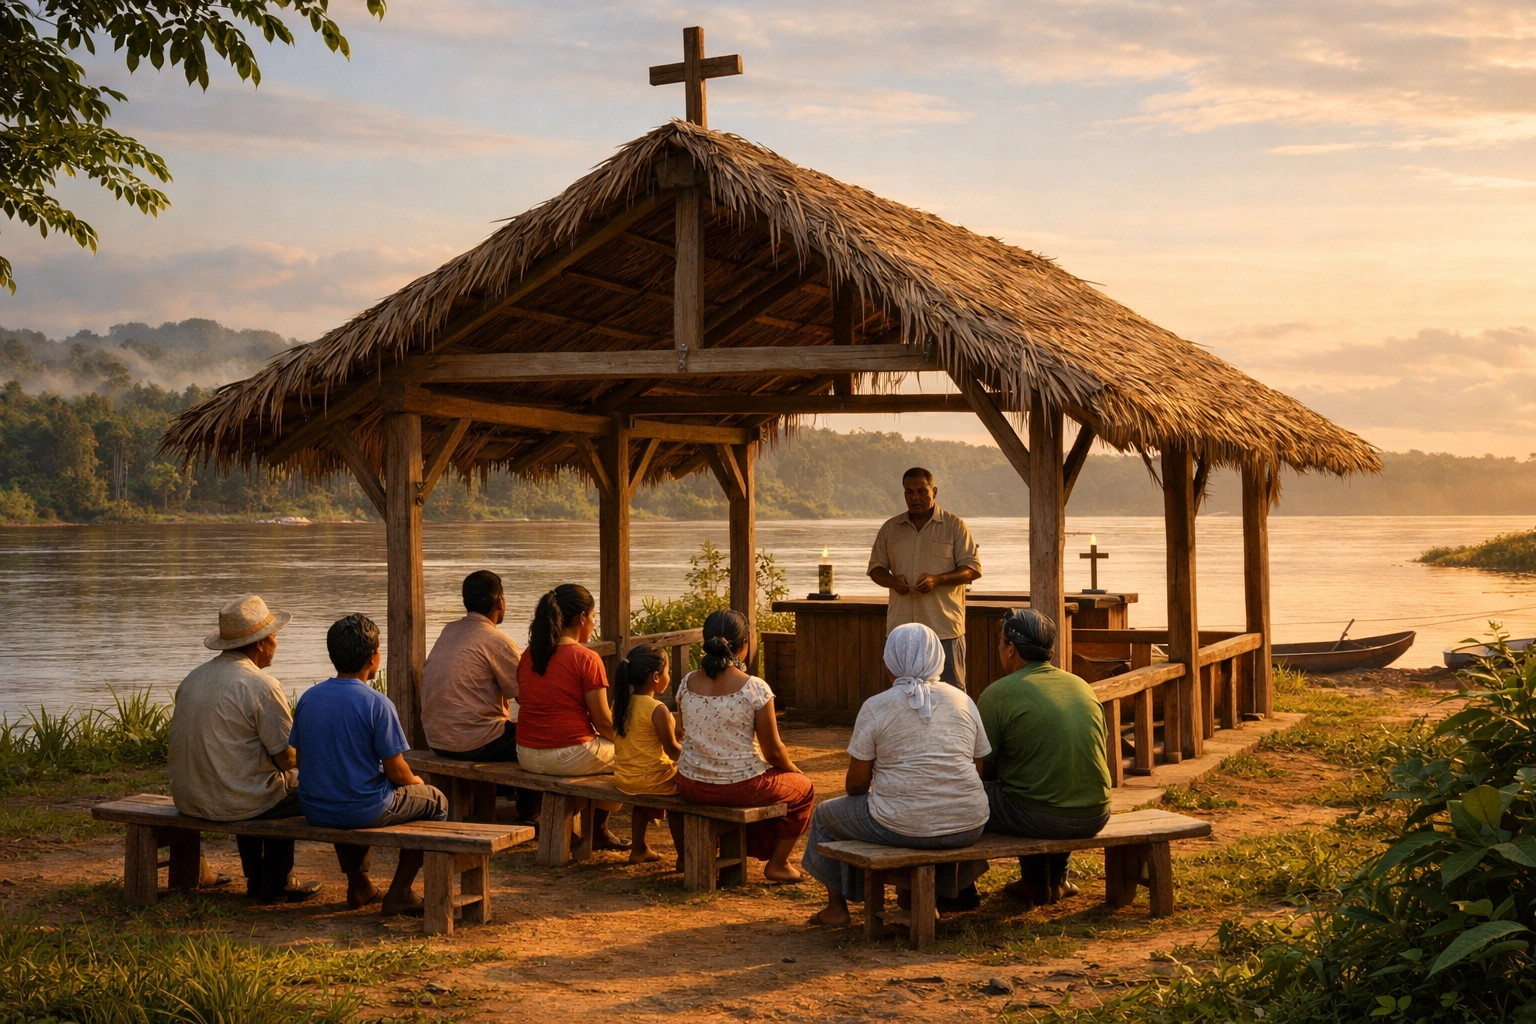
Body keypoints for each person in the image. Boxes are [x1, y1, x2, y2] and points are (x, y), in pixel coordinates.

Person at [802, 623, 992, 927]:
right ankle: (920, 901)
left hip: (903, 824)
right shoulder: (963, 701)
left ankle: (837, 908)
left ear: (889, 663)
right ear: (938, 659)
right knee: (927, 816)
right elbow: (978, 769)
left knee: (826, 816)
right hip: (968, 824)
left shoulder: (877, 707)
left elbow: (855, 785)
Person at [291, 613, 449, 915]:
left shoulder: (309, 699)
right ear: (374, 657)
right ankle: (400, 892)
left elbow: (302, 759)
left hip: (315, 807)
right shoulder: (377, 703)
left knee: (349, 785)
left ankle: (359, 883)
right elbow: (396, 771)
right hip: (360, 808)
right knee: (436, 801)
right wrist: (418, 783)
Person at [168, 593, 321, 903]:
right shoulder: (261, 685)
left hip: (189, 796)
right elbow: (286, 757)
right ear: (261, 644)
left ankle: (255, 875)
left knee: (247, 777)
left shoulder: (193, 678)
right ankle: (277, 881)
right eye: (274, 636)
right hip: (231, 798)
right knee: (301, 785)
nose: (277, 642)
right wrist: (322, 758)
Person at [978, 608, 1112, 905]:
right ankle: (1055, 881)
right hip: (1096, 812)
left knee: (974, 796)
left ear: (1011, 649)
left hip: (1041, 815)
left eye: (1000, 642)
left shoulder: (996, 694)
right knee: (1045, 782)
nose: (999, 648)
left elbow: (980, 772)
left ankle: (968, 889)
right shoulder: (1080, 685)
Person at [674, 609, 814, 882]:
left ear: (705, 641)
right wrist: (793, 770)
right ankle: (778, 863)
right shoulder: (755, 688)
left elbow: (681, 731)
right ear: (745, 644)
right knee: (805, 790)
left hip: (691, 784)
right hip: (740, 787)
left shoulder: (687, 683)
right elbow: (773, 751)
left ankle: (685, 857)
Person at [513, 584, 629, 850]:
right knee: (629, 759)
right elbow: (602, 721)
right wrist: (626, 742)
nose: (593, 623)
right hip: (567, 755)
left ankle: (583, 827)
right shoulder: (586, 658)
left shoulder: (530, 654)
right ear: (581, 618)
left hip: (527, 752)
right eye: (594, 616)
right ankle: (597, 829)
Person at [421, 569, 540, 821]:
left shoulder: (448, 631)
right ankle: (531, 814)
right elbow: (525, 697)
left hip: (437, 739)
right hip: (473, 742)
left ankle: (506, 810)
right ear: (500, 601)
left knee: (513, 733)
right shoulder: (497, 640)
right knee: (542, 740)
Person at [867, 467, 982, 689]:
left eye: (922, 491)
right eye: (909, 492)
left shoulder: (954, 526)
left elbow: (973, 569)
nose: (915, 497)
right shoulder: (890, 528)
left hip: (943, 630)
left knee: (952, 694)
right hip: (901, 633)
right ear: (904, 494)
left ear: (934, 492)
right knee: (901, 696)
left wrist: (938, 580)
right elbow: (875, 569)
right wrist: (891, 581)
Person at [609, 644, 687, 866]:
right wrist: (696, 759)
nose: (668, 676)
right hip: (652, 779)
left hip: (625, 778)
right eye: (667, 672)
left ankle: (639, 848)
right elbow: (672, 750)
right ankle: (683, 857)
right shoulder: (657, 709)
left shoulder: (621, 703)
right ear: (655, 676)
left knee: (646, 787)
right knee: (680, 796)